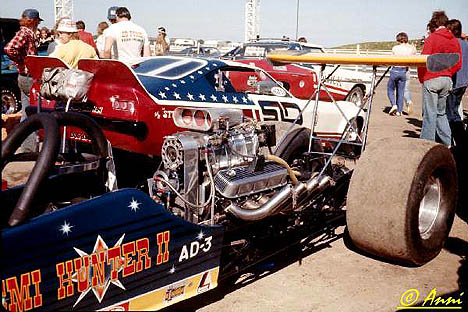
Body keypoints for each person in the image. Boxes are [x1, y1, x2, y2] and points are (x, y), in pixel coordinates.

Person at [417, 11, 462, 146]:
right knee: (441, 114)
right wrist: (447, 72)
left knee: (429, 114)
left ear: (434, 23)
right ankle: (448, 143)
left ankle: (425, 145)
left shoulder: (432, 38)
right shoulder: (454, 40)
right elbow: (458, 63)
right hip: (447, 80)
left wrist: (422, 78)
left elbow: (424, 60)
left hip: (432, 79)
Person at [4, 8, 42, 152]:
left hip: (24, 76)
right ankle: (29, 146)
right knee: (32, 112)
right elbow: (10, 48)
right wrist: (23, 61)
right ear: (33, 21)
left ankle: (25, 145)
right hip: (28, 76)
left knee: (27, 111)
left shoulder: (26, 33)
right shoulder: (25, 33)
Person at [446, 19, 468, 148]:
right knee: (454, 111)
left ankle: (458, 142)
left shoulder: (454, 43)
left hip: (455, 82)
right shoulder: (465, 43)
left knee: (451, 114)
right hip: (463, 82)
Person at [387, 32, 417, 116]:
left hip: (395, 70)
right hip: (404, 71)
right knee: (401, 91)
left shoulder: (395, 48)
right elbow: (414, 55)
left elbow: (391, 59)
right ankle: (399, 111)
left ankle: (394, 105)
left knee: (390, 89)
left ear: (398, 39)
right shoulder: (410, 49)